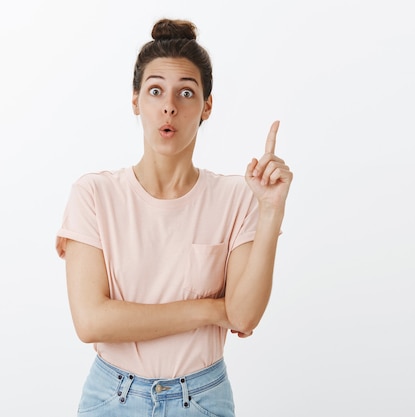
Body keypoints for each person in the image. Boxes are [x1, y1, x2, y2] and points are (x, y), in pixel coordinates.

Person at [55, 18, 292, 417]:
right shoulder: (94, 194)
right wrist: (213, 309)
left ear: (207, 106)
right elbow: (91, 321)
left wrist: (270, 210)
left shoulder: (237, 196)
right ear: (135, 101)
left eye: (186, 92)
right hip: (112, 397)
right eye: (154, 91)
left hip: (201, 398)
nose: (169, 106)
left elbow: (246, 313)